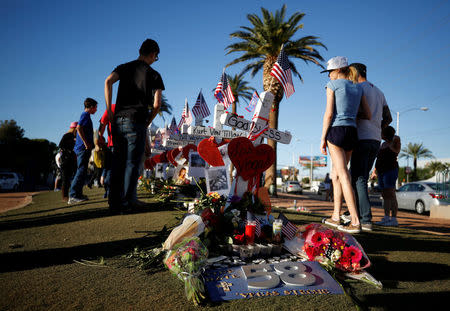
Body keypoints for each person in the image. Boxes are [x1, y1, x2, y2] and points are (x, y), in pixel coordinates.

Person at [105, 39, 164, 213]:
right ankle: (129, 201)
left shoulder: (124, 67)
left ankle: (114, 202)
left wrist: (109, 111)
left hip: (119, 119)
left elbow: (108, 81)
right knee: (132, 163)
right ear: (153, 54)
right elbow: (157, 104)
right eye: (156, 57)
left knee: (118, 162)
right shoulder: (154, 74)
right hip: (137, 121)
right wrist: (148, 121)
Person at [320, 56, 371, 234]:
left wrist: (322, 138)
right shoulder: (357, 88)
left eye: (330, 72)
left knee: (343, 175)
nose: (329, 76)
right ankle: (335, 215)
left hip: (336, 131)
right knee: (336, 175)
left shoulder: (332, 86)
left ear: (339, 70)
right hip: (352, 132)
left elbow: (328, 114)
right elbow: (368, 114)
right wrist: (350, 115)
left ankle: (356, 221)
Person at [348, 63, 393, 232]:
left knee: (358, 179)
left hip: (361, 137)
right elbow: (388, 117)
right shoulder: (379, 91)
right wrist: (377, 128)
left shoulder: (358, 88)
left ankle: (365, 219)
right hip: (375, 140)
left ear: (354, 72)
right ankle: (356, 213)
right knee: (359, 178)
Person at [68, 98, 98, 204]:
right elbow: (79, 128)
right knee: (80, 171)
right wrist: (85, 143)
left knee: (83, 171)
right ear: (91, 107)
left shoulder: (86, 116)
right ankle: (73, 195)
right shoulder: (85, 115)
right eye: (95, 107)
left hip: (83, 148)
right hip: (82, 148)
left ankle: (78, 194)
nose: (96, 110)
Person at [372, 126, 401, 226]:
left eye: (382, 132)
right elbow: (378, 159)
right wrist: (374, 171)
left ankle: (393, 219)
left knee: (391, 194)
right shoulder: (383, 144)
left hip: (390, 171)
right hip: (381, 171)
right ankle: (386, 217)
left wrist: (390, 135)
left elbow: (396, 137)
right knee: (385, 195)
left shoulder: (394, 144)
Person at [58, 122, 78, 201]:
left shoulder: (71, 135)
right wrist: (73, 142)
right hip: (66, 159)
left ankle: (70, 194)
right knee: (66, 178)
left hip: (69, 158)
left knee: (69, 178)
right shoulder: (68, 135)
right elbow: (61, 145)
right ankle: (65, 196)